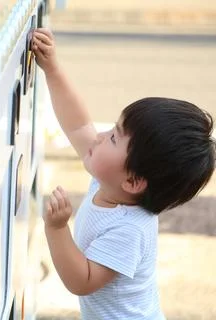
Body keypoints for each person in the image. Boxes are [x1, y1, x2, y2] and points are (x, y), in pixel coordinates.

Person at [32, 28, 215, 319]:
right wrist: (52, 70)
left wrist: (57, 229)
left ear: (133, 181)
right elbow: (78, 125)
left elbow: (83, 281)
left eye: (115, 137)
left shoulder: (129, 229)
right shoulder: (111, 181)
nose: (102, 135)